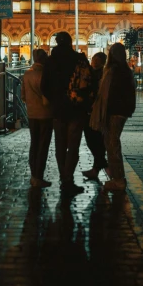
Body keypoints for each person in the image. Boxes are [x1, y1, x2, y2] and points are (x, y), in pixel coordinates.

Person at [41, 31, 94, 197]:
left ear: (57, 43)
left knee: (60, 146)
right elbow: (90, 83)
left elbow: (44, 86)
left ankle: (64, 177)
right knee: (73, 146)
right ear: (70, 42)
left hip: (58, 110)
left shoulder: (50, 61)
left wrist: (56, 99)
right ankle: (68, 179)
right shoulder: (79, 59)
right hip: (77, 110)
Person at [90, 42, 136, 192]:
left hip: (113, 112)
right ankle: (117, 177)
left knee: (112, 144)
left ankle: (118, 179)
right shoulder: (126, 71)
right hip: (122, 112)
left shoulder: (112, 71)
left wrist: (103, 112)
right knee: (113, 143)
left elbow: (106, 94)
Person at [22, 49, 53, 188]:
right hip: (45, 114)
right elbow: (47, 97)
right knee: (43, 145)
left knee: (34, 143)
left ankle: (34, 174)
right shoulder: (45, 75)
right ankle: (38, 175)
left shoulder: (27, 74)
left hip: (32, 114)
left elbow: (23, 95)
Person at [82, 52, 108, 181]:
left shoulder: (103, 74)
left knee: (96, 140)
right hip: (88, 109)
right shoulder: (89, 72)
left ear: (103, 62)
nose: (94, 62)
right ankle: (98, 167)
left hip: (97, 110)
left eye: (97, 60)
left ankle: (100, 166)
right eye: (94, 59)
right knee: (91, 139)